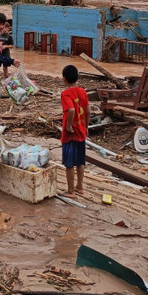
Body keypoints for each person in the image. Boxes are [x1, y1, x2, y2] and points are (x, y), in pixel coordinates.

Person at [60, 64, 89, 198]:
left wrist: (68, 126)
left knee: (69, 163)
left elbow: (71, 109)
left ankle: (71, 191)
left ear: (64, 79)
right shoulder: (83, 91)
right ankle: (80, 186)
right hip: (81, 130)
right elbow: (88, 110)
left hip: (70, 135)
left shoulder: (65, 93)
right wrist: (86, 126)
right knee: (80, 161)